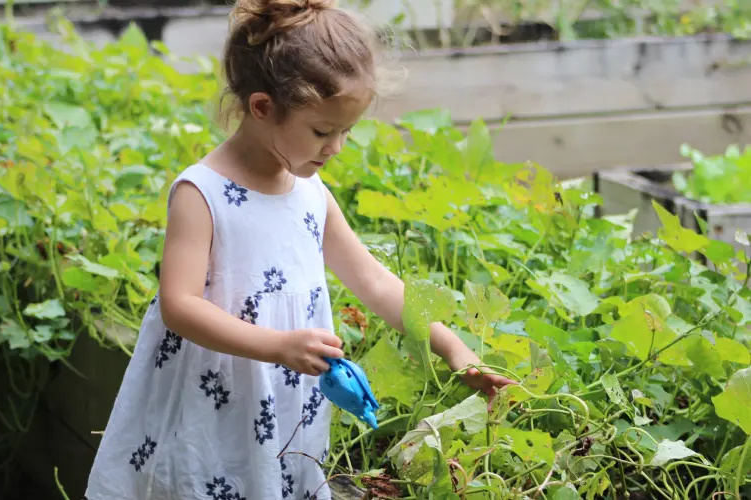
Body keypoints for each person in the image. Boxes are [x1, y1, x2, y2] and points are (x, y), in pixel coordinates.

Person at [84, 0, 515, 498]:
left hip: (284, 403)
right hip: (215, 399)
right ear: (262, 107)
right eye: (321, 131)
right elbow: (179, 307)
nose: (336, 148)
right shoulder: (201, 193)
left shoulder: (310, 194)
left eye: (345, 131)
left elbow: (373, 281)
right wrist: (278, 347)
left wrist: (453, 349)